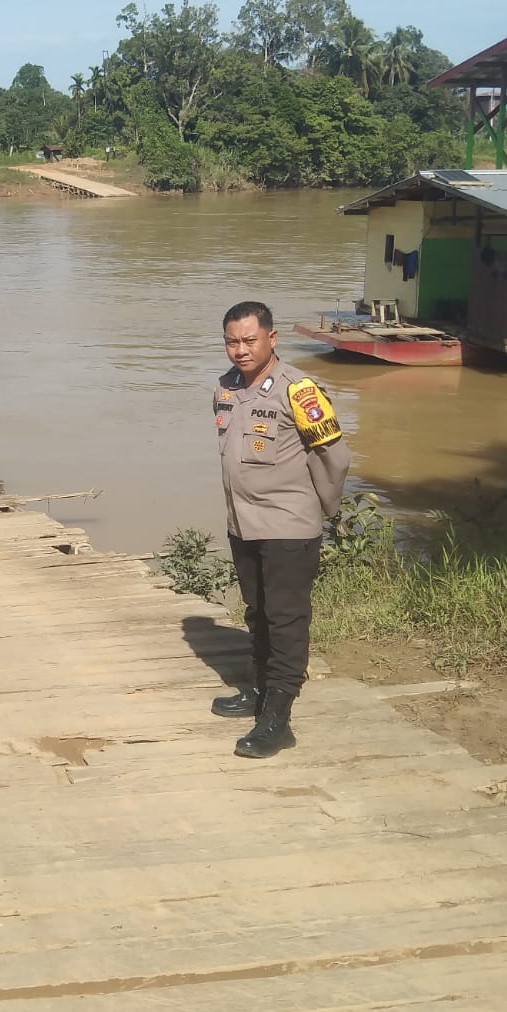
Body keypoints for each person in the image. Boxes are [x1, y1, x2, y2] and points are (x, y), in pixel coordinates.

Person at [211, 302, 351, 759]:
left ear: (272, 339)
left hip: (288, 525)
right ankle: (257, 690)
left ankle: (279, 718)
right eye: (232, 341)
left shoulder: (300, 391)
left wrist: (318, 510)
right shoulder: (225, 388)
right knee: (257, 611)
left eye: (249, 340)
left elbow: (334, 457)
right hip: (243, 523)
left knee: (286, 619)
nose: (240, 350)